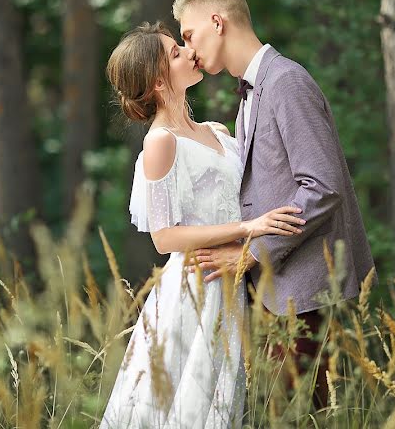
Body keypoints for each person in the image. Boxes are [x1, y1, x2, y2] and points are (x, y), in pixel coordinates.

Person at [175, 0, 376, 407]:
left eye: (189, 35)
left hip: (297, 291)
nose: (188, 49)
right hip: (271, 292)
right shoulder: (254, 90)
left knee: (299, 413)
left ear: (218, 21)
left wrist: (251, 253)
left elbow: (323, 186)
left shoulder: (286, 82)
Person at [100, 21, 306, 428]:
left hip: (234, 282)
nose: (187, 50)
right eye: (175, 52)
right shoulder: (161, 143)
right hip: (195, 286)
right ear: (159, 82)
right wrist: (248, 229)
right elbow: (164, 237)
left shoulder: (215, 131)